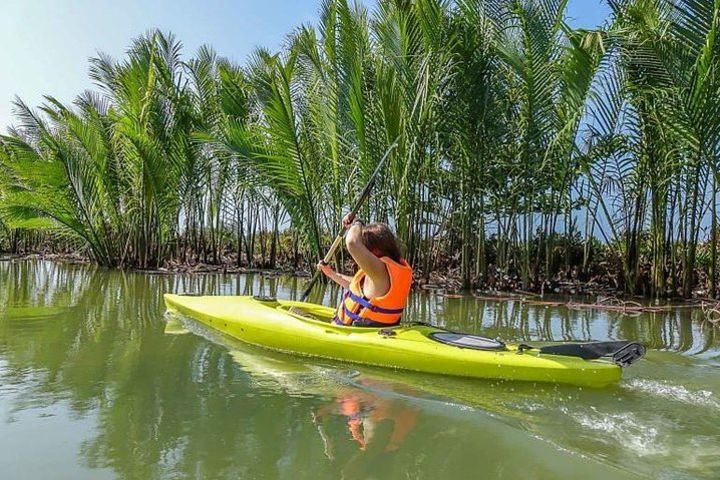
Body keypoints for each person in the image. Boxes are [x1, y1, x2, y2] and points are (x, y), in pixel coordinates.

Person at [317, 214, 413, 327]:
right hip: (370, 331)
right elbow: (357, 287)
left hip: (355, 335)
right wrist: (331, 273)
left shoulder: (380, 270)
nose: (362, 250)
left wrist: (357, 222)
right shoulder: (382, 272)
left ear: (375, 249)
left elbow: (352, 242)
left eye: (363, 245)